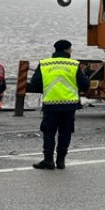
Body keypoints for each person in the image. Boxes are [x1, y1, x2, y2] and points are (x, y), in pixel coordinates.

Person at [27, 39, 90, 170]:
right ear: (67, 50)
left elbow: (35, 84)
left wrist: (48, 89)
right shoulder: (74, 64)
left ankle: (48, 160)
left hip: (51, 104)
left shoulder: (44, 64)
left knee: (49, 132)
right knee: (65, 132)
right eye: (71, 49)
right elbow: (85, 84)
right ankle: (61, 160)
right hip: (69, 104)